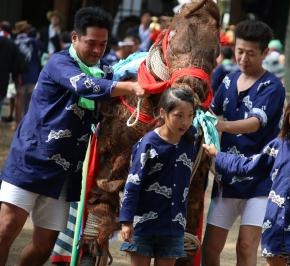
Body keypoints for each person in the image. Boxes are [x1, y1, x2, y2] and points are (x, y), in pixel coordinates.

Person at [0, 7, 146, 266]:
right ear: (75, 38)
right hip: (30, 161)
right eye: (91, 43)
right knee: (5, 231)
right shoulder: (59, 63)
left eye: (103, 45)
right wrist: (130, 86)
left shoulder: (104, 71)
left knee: (43, 246)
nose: (97, 51)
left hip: (65, 175)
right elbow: (84, 85)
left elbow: (121, 74)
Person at [203, 90, 290, 266]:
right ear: (288, 114)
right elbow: (248, 166)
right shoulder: (277, 146)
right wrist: (217, 155)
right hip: (275, 229)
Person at [202, 19, 285, 266]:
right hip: (226, 175)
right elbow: (211, 111)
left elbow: (255, 123)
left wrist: (223, 126)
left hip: (261, 177)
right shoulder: (228, 80)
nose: (243, 58)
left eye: (251, 53)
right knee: (211, 246)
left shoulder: (273, 86)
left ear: (265, 53)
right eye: (239, 51)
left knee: (246, 245)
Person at [119, 88, 196, 266]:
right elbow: (133, 184)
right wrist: (126, 222)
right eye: (179, 115)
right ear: (163, 113)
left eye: (190, 115)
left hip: (173, 227)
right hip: (143, 227)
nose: (185, 122)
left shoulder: (189, 142)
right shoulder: (147, 144)